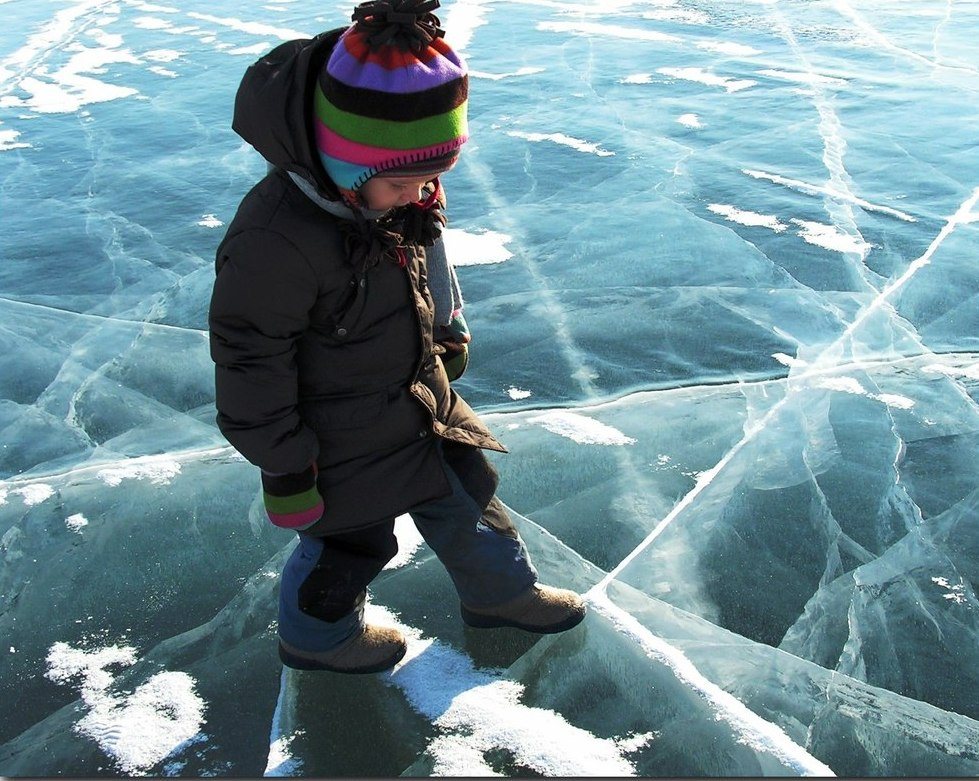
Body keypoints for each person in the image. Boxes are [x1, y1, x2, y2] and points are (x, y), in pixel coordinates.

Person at [208, 0, 585, 675]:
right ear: (341, 167)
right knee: (351, 544)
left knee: (470, 496)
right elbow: (249, 357)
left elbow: (427, 257)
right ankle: (315, 639)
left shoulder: (399, 194)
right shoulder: (274, 239)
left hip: (417, 399)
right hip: (335, 438)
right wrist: (287, 464)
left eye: (429, 178)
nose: (419, 195)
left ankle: (504, 595)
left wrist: (447, 327)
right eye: (400, 181)